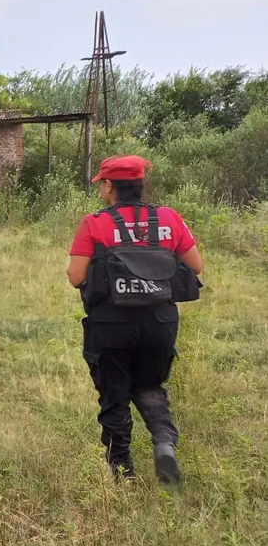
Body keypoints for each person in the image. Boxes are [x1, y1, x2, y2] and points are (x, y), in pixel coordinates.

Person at [67, 155, 203, 484]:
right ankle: (164, 445)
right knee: (150, 386)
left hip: (111, 324)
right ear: (140, 185)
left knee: (114, 394)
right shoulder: (169, 218)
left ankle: (123, 472)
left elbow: (75, 276)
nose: (101, 188)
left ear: (111, 186)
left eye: (102, 182)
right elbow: (196, 266)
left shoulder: (95, 223)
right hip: (159, 322)